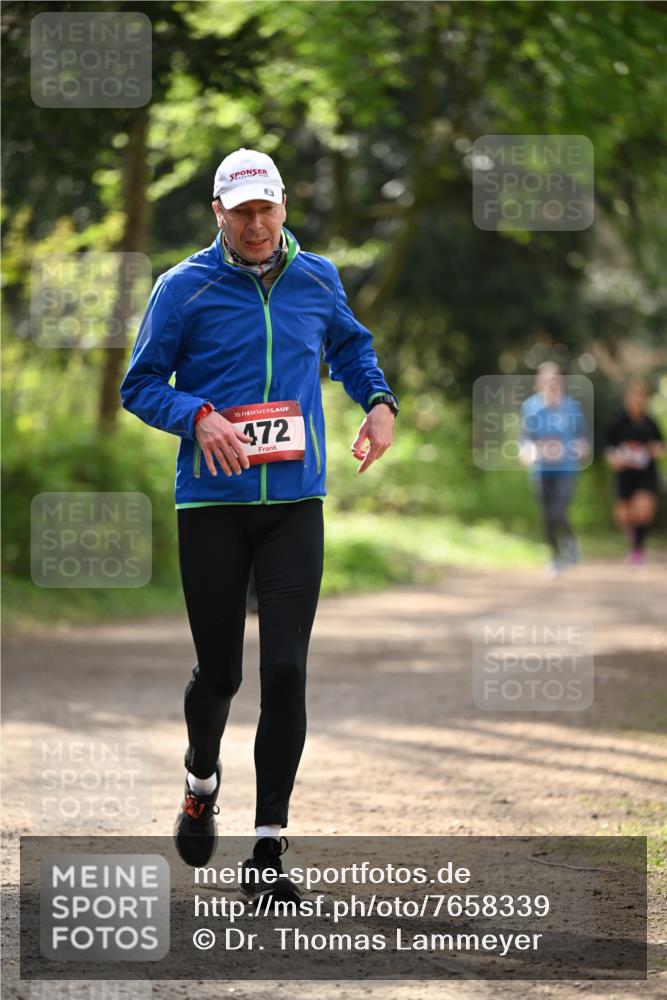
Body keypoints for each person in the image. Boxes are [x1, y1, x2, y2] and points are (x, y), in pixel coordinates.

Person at [120, 148, 398, 898]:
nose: (253, 223)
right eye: (239, 210)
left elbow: (349, 346)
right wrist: (196, 415)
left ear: (282, 208)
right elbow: (139, 385)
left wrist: (378, 401)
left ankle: (269, 849)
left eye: (264, 208)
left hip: (294, 504)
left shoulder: (317, 277)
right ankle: (200, 779)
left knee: (284, 670)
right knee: (222, 673)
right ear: (218, 211)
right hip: (212, 504)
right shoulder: (184, 287)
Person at [520, 362, 589, 576]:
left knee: (559, 511)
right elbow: (525, 440)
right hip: (541, 470)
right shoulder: (531, 408)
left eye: (554, 381)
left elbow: (583, 440)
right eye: (546, 381)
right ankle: (555, 557)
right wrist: (529, 452)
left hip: (566, 469)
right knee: (546, 515)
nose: (550, 385)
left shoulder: (571, 408)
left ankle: (570, 541)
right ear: (539, 383)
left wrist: (578, 449)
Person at [605, 377, 664, 565]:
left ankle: (638, 549)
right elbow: (608, 449)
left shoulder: (650, 423)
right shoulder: (617, 421)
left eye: (641, 397)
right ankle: (633, 535)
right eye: (634, 396)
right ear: (627, 398)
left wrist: (655, 450)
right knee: (623, 516)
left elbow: (660, 447)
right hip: (624, 474)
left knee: (643, 510)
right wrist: (615, 459)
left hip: (646, 474)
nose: (638, 401)